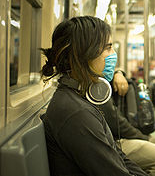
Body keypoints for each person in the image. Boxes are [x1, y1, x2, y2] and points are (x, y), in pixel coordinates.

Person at [40, 16, 148, 176]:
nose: (114, 54)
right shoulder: (76, 113)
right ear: (84, 54)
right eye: (108, 48)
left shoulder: (79, 96)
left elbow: (118, 157)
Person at [102, 71, 155, 176]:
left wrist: (118, 73)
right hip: (110, 141)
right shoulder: (97, 86)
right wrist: (142, 137)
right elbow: (116, 122)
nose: (111, 56)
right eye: (108, 52)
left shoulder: (101, 79)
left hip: (111, 137)